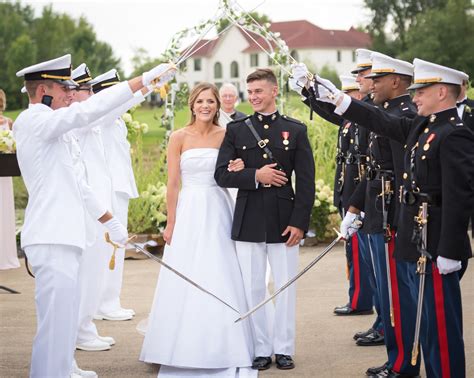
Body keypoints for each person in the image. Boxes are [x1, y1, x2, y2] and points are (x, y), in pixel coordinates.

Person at [13, 54, 176, 378]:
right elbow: (90, 110)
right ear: (43, 89)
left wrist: (109, 221)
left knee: (65, 317)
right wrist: (142, 81)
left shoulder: (54, 129)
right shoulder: (36, 121)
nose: (71, 94)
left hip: (66, 236)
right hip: (51, 235)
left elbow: (80, 184)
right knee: (55, 323)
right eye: (64, 88)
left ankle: (63, 368)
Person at [314, 58, 473, 378]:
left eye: (422, 92)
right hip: (417, 238)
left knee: (441, 327)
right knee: (425, 323)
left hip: (437, 241)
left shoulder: (454, 133)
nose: (415, 98)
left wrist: (451, 249)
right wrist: (339, 100)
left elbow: (459, 196)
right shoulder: (424, 125)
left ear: (442, 92)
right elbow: (381, 122)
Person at [140, 82, 254, 377]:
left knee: (219, 269)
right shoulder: (178, 137)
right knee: (185, 270)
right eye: (201, 101)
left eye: (211, 102)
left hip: (218, 207)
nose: (206, 106)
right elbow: (173, 183)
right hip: (189, 210)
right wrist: (171, 222)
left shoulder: (226, 134)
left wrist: (238, 167)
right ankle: (172, 344)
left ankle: (223, 341)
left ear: (218, 106)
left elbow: (233, 170)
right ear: (192, 105)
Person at [215, 68, 315, 371]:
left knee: (284, 286)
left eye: (259, 91)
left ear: (274, 91)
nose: (254, 97)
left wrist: (300, 222)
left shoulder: (295, 130)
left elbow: (307, 181)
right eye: (251, 91)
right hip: (248, 218)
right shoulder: (237, 130)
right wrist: (255, 175)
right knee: (253, 287)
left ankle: (284, 348)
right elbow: (221, 174)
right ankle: (260, 348)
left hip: (285, 218)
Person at [293, 49, 385, 349]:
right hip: (355, 192)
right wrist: (307, 92)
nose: (359, 83)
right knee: (362, 259)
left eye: (362, 78)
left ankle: (377, 315)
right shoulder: (358, 116)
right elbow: (330, 113)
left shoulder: (376, 114)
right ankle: (367, 307)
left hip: (369, 195)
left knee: (375, 264)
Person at [0, 88, 20, 270]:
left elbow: (16, 146)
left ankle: (6, 255)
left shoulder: (9, 122)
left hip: (4, 174)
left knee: (5, 211)